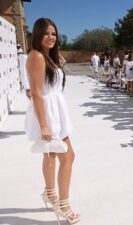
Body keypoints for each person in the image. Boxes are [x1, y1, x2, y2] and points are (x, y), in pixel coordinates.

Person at [25, 18, 80, 224]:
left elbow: (40, 88)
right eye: (46, 33)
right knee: (68, 156)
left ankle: (50, 193)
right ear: (37, 34)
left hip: (55, 111)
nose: (51, 37)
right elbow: (38, 94)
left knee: (51, 156)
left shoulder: (45, 56)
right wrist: (44, 125)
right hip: (48, 115)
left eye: (54, 34)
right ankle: (63, 205)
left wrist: (57, 65)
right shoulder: (37, 56)